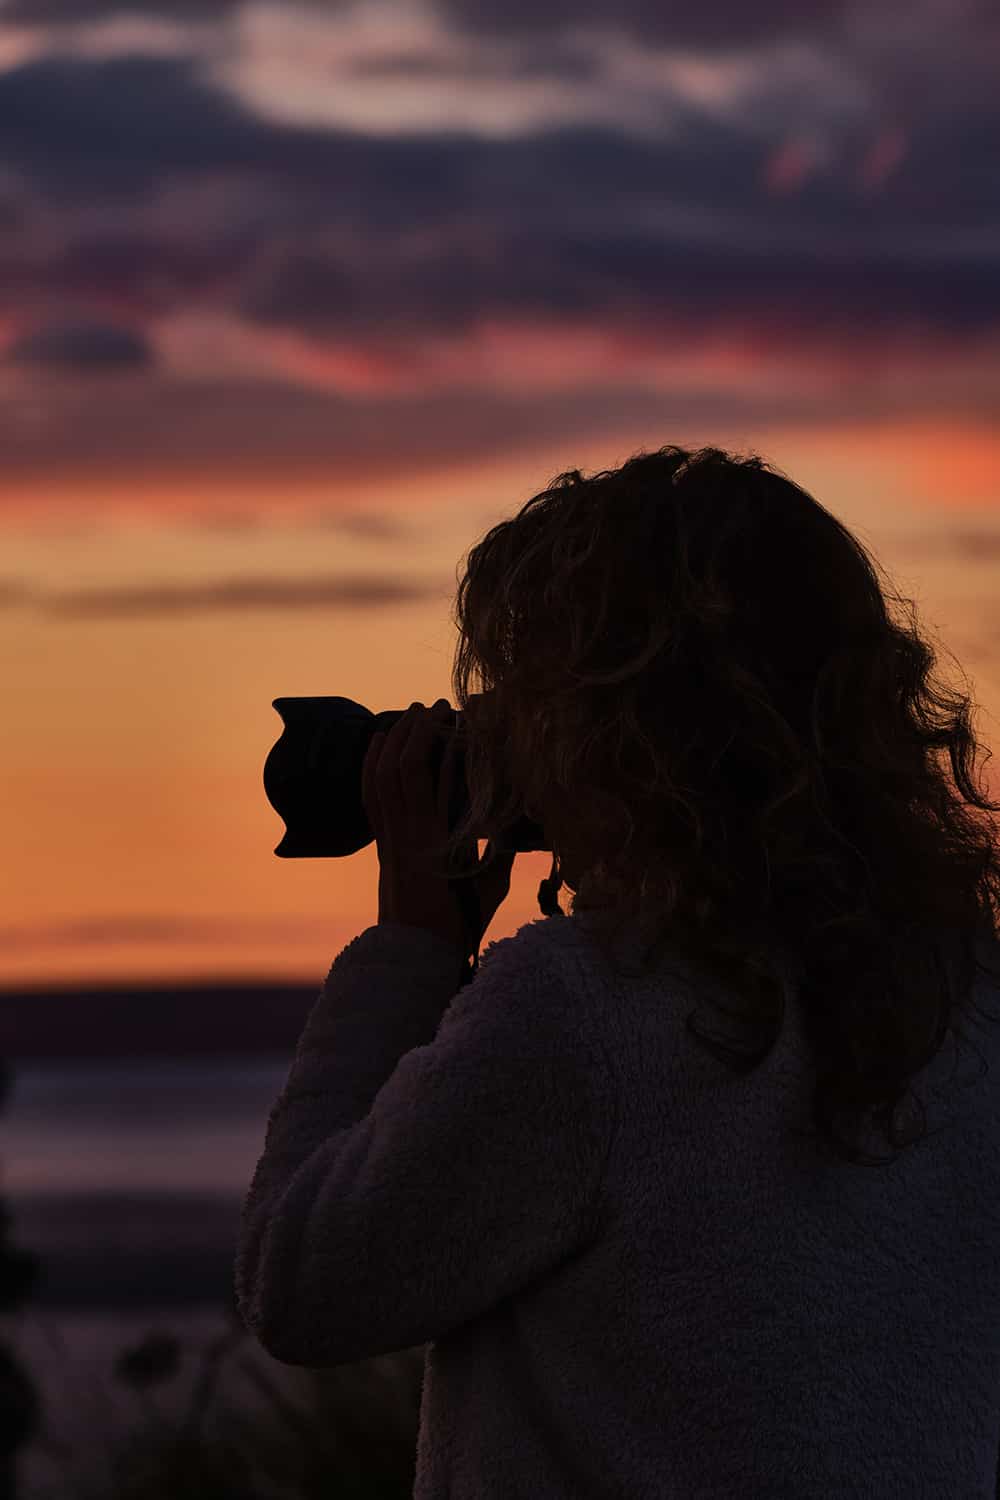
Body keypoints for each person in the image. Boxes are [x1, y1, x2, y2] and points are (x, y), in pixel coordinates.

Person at [235, 442, 1000, 1498]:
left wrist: (411, 946)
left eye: (527, 691)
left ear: (613, 731)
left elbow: (305, 1280)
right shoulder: (970, 995)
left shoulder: (587, 1013)